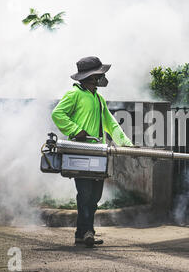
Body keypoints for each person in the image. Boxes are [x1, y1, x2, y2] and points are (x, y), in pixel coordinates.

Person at [51, 56, 133, 247]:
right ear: (90, 77)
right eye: (98, 75)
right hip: (80, 153)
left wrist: (126, 144)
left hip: (98, 154)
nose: (100, 78)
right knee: (85, 194)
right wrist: (74, 130)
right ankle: (88, 232)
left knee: (95, 196)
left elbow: (111, 124)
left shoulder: (98, 98)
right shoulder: (74, 94)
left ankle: (82, 233)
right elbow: (57, 114)